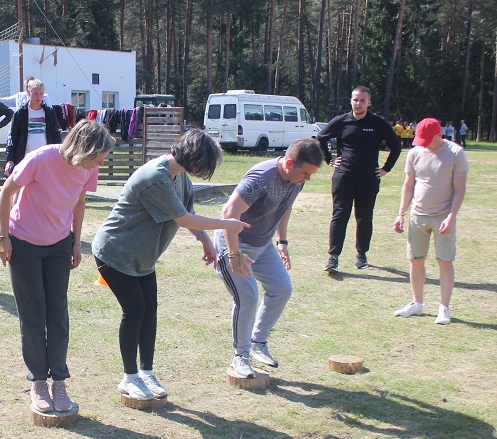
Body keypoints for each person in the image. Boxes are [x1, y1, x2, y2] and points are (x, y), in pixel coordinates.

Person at [91, 131, 249, 400]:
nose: (206, 170)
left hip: (143, 257)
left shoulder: (180, 175)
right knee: (135, 310)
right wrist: (225, 225)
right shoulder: (156, 177)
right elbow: (183, 218)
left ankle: (146, 372)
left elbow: (188, 212)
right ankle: (129, 378)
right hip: (115, 252)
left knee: (149, 311)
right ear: (195, 158)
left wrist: (204, 239)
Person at [0, 120, 112, 413]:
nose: (100, 163)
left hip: (59, 244)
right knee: (33, 313)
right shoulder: (41, 158)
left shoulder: (89, 166)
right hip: (24, 243)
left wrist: (76, 241)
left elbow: (79, 202)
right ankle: (38, 381)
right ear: (83, 149)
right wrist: (3, 237)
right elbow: (7, 192)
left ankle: (59, 381)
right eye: (98, 157)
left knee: (58, 313)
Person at [214, 139, 323, 378]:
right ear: (289, 163)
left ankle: (258, 342)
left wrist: (282, 242)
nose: (308, 179)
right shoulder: (262, 177)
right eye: (305, 173)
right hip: (235, 243)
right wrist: (234, 254)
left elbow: (286, 207)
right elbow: (229, 212)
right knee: (248, 298)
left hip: (262, 246)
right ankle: (240, 356)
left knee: (282, 289)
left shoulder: (296, 180)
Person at [316, 86, 401, 273]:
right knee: (340, 215)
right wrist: (329, 159)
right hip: (344, 176)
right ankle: (333, 257)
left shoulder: (378, 123)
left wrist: (386, 169)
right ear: (351, 101)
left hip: (368, 178)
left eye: (362, 100)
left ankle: (361, 254)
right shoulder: (341, 121)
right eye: (355, 99)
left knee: (364, 217)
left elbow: (396, 145)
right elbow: (320, 138)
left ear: (369, 102)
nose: (358, 103)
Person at [392, 118, 468, 325]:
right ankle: (417, 303)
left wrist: (451, 217)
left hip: (443, 216)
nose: (423, 144)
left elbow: (460, 188)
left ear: (439, 135)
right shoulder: (415, 153)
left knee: (445, 261)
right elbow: (408, 185)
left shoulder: (456, 153)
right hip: (418, 215)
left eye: (427, 140)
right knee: (415, 259)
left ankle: (444, 308)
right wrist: (401, 214)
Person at [4, 79, 61, 176]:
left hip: (45, 158)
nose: (39, 97)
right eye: (36, 94)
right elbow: (12, 137)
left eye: (41, 94)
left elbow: (56, 135)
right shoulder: (20, 113)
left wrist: (59, 155)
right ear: (28, 92)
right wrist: (10, 159)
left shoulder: (50, 112)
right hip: (24, 158)